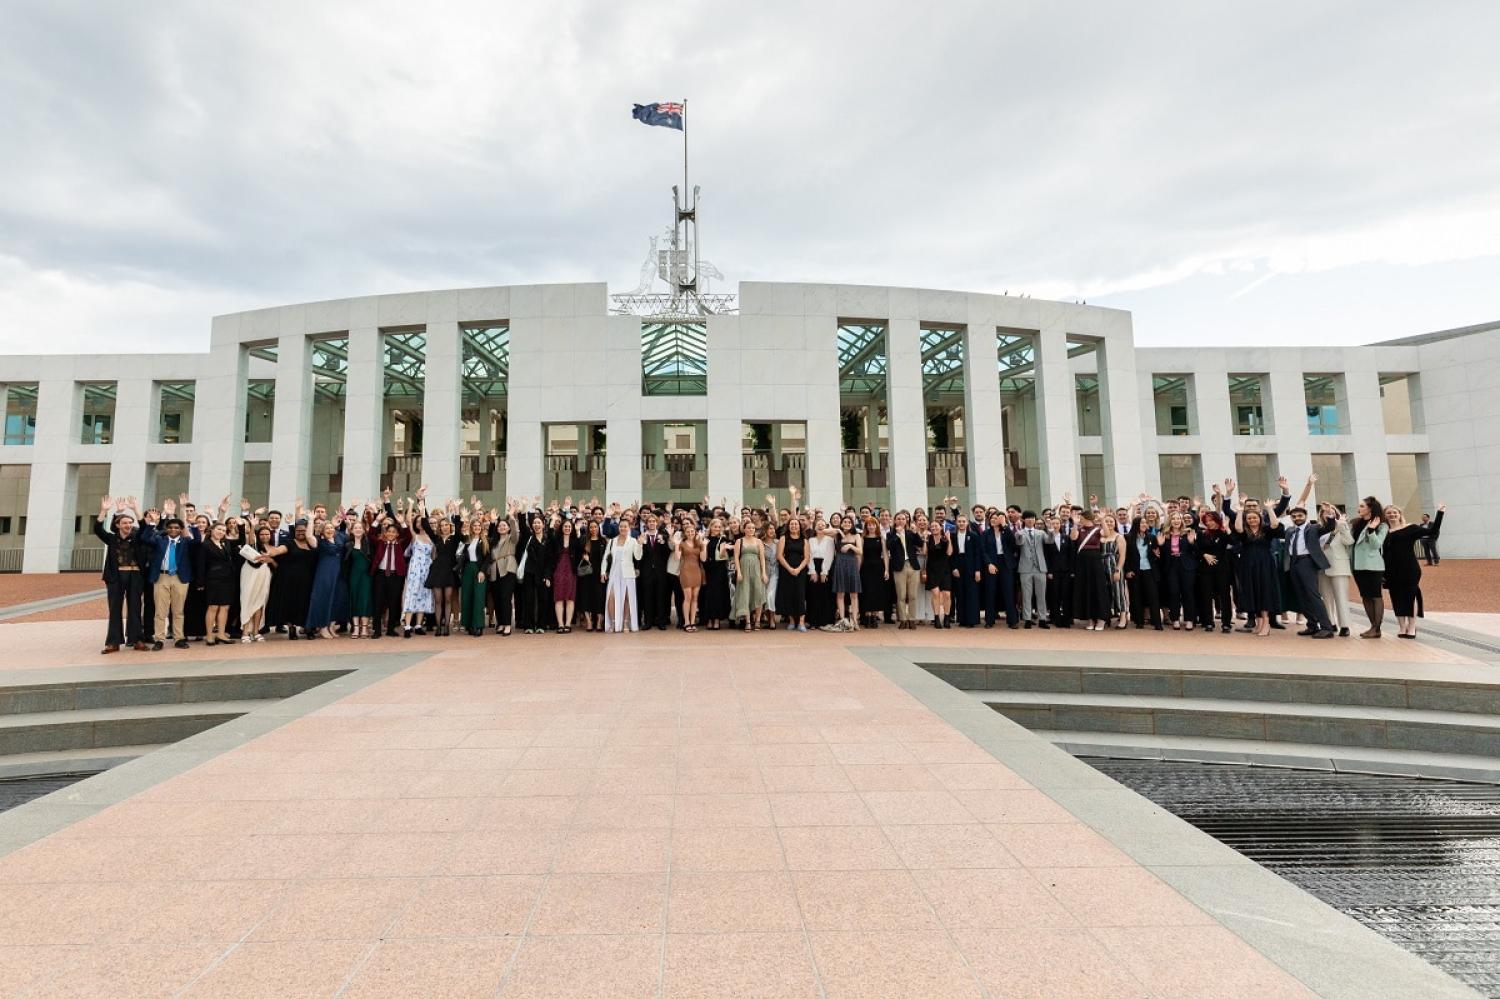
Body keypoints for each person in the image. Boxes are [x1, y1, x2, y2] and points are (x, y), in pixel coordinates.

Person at [94, 496, 152, 654]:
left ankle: (137, 640)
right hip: (115, 577)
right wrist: (104, 511)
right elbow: (97, 529)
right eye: (125, 523)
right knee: (114, 609)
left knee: (135, 608)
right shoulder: (112, 539)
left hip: (135, 576)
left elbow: (145, 528)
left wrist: (135, 509)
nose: (128, 525)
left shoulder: (137, 538)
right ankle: (113, 642)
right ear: (118, 525)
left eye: (130, 523)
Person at [1277, 490, 1336, 639]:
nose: (1297, 518)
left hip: (1307, 562)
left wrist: (1329, 514)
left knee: (1313, 595)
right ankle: (1312, 625)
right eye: (1294, 516)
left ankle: (1326, 627)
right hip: (1293, 563)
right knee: (1301, 596)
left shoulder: (1314, 528)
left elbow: (1329, 528)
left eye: (1300, 516)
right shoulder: (1290, 530)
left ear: (1306, 516)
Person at [1382, 503, 1445, 640]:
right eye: (1389, 513)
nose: (1392, 515)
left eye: (1395, 512)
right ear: (1385, 516)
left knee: (1410, 597)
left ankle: (1411, 626)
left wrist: (1440, 513)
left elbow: (1432, 532)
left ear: (1400, 514)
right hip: (1391, 570)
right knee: (1396, 598)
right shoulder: (1383, 533)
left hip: (1409, 568)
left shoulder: (1410, 528)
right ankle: (1402, 627)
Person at [140, 502, 196, 651]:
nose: (173, 530)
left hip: (180, 578)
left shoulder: (185, 542)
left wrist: (191, 523)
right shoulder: (160, 540)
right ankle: (159, 639)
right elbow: (145, 538)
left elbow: (196, 541)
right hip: (161, 577)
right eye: (170, 527)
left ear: (181, 530)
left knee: (178, 611)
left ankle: (179, 638)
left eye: (177, 527)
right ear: (166, 529)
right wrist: (152, 522)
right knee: (160, 611)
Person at [1230, 495, 1281, 637]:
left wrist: (1270, 509)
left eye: (1255, 517)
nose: (1252, 520)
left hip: (1264, 564)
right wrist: (1240, 512)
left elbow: (1275, 525)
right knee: (1253, 591)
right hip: (1248, 564)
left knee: (1264, 591)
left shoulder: (1266, 531)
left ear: (1260, 518)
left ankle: (1266, 622)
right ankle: (1259, 623)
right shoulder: (1244, 533)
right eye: (1250, 518)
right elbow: (1238, 527)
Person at [195, 520, 239, 646]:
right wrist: (200, 582)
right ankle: (209, 636)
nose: (221, 532)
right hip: (213, 579)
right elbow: (201, 565)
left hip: (228, 579)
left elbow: (241, 540)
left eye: (224, 530)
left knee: (225, 607)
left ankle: (221, 634)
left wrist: (241, 525)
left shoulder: (226, 543)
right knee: (213, 607)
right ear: (212, 530)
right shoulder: (205, 545)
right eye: (219, 529)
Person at [1350, 496, 1389, 639]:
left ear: (1370, 508)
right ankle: (1373, 627)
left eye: (1361, 506)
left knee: (1376, 596)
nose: (1358, 509)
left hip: (1373, 566)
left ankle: (1376, 627)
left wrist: (1372, 531)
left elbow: (1376, 545)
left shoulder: (1382, 525)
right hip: (1357, 565)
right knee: (1365, 596)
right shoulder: (1357, 523)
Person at [1315, 502, 1354, 637]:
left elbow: (1349, 541)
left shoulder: (1342, 527)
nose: (1327, 514)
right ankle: (1330, 623)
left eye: (1330, 512)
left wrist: (1342, 525)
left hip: (1339, 566)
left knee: (1341, 597)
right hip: (1322, 567)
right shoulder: (1318, 528)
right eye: (1324, 512)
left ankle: (1345, 625)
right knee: (1326, 597)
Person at [1155, 511, 1198, 631]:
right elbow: (1161, 555)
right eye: (1173, 519)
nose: (1176, 521)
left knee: (1187, 592)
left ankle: (1189, 619)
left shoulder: (1188, 533)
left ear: (1181, 521)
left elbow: (1196, 550)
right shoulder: (1165, 534)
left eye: (1178, 518)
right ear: (1170, 521)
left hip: (1187, 566)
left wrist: (1191, 542)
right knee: (1173, 592)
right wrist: (1161, 545)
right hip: (1171, 566)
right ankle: (1175, 619)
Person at [305, 519, 348, 639]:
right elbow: (308, 536)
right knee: (324, 598)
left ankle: (331, 626)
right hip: (325, 573)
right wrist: (310, 519)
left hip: (338, 573)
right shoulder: (319, 541)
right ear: (322, 531)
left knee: (336, 598)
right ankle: (322, 627)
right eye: (327, 528)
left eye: (331, 528)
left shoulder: (339, 539)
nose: (330, 530)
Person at [369, 513, 411, 639]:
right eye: (389, 531)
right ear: (385, 533)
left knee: (394, 602)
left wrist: (403, 523)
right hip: (380, 575)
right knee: (378, 602)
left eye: (394, 532)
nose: (391, 534)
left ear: (397, 534)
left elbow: (408, 536)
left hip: (396, 576)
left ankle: (391, 629)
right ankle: (377, 630)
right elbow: (370, 534)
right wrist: (377, 520)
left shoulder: (400, 544)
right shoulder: (380, 542)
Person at [273, 521, 317, 640]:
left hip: (308, 579)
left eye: (303, 530)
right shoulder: (289, 543)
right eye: (298, 531)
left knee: (306, 603)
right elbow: (279, 550)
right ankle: (291, 629)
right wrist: (272, 552)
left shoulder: (312, 543)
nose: (300, 533)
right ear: (294, 532)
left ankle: (307, 628)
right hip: (290, 580)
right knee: (290, 603)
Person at [1070, 510, 1110, 631]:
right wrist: (1075, 524)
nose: (1079, 519)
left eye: (1081, 517)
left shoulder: (1097, 529)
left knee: (1097, 589)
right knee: (1085, 589)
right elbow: (1073, 537)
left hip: (1095, 562)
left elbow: (1106, 534)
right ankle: (1090, 619)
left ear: (1086, 518)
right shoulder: (1079, 529)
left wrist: (1103, 520)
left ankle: (1101, 619)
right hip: (1082, 563)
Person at [601, 515, 642, 633]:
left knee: (627, 598)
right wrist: (603, 571)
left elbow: (638, 557)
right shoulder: (612, 541)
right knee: (611, 597)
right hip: (614, 572)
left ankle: (625, 622)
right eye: (621, 526)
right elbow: (605, 557)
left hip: (628, 573)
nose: (623, 528)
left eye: (625, 526)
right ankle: (614, 622)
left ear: (629, 528)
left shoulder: (633, 541)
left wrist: (640, 544)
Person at [1194, 509, 1233, 633]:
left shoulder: (1223, 533)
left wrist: (1227, 529)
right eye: (1207, 521)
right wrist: (1205, 555)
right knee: (1206, 595)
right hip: (1206, 568)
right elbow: (1197, 549)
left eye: (1212, 520)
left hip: (1222, 568)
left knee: (1225, 596)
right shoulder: (1202, 533)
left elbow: (1233, 541)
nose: (1210, 523)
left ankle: (1226, 623)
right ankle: (1208, 622)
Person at [426, 512, 461, 636]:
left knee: (448, 600)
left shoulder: (455, 538)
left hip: (450, 572)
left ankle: (446, 626)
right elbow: (426, 526)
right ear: (439, 527)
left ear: (450, 526)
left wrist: (456, 511)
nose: (444, 527)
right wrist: (421, 506)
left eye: (447, 525)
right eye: (442, 525)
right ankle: (438, 627)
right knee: (438, 600)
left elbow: (459, 525)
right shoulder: (436, 538)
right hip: (436, 571)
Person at [886, 511, 923, 629]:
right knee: (901, 595)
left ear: (906, 521)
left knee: (912, 595)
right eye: (898, 519)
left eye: (903, 519)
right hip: (899, 567)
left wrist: (916, 532)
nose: (901, 520)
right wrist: (897, 535)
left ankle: (912, 619)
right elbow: (889, 547)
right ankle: (902, 619)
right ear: (895, 521)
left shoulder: (910, 533)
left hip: (912, 566)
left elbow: (920, 544)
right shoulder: (891, 535)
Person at [546, 515, 583, 634]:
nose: (567, 528)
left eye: (569, 526)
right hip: (558, 571)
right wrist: (551, 522)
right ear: (561, 527)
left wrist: (578, 531)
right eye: (565, 526)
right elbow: (550, 537)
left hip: (571, 572)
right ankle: (560, 624)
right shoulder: (556, 540)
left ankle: (568, 624)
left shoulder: (575, 540)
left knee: (570, 598)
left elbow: (581, 548)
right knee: (559, 598)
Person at [240, 524, 276, 642]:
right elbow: (250, 540)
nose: (264, 536)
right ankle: (245, 632)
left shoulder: (273, 548)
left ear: (270, 535)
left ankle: (256, 632)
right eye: (262, 534)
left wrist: (271, 560)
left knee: (260, 603)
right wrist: (252, 525)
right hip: (249, 573)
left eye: (267, 534)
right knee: (247, 601)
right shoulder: (254, 545)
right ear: (257, 535)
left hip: (265, 575)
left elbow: (277, 566)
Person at [827, 513, 863, 632]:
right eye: (844, 522)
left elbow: (860, 551)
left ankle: (855, 620)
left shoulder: (856, 535)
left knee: (854, 594)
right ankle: (842, 620)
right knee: (840, 594)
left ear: (852, 524)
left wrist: (850, 546)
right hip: (840, 564)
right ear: (841, 523)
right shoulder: (837, 534)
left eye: (849, 522)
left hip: (852, 565)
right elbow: (821, 530)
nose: (846, 524)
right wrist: (837, 529)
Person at [456, 515, 490, 637]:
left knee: (479, 598)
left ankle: (478, 625)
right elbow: (457, 531)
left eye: (478, 526)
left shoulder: (486, 540)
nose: (477, 527)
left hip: (479, 570)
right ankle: (469, 624)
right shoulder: (467, 540)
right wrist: (459, 516)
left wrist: (482, 571)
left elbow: (487, 558)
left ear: (481, 528)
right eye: (474, 526)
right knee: (467, 597)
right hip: (467, 570)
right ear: (471, 527)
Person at [732, 520, 769, 631]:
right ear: (744, 529)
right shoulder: (739, 541)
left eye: (753, 528)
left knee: (758, 593)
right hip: (743, 569)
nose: (751, 530)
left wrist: (763, 573)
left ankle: (757, 621)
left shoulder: (758, 542)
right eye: (748, 528)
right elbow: (736, 558)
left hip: (756, 569)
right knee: (745, 594)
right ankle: (748, 621)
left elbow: (762, 558)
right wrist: (738, 572)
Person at [487, 507, 519, 636]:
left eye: (504, 525)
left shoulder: (512, 538)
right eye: (500, 525)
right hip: (495, 571)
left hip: (508, 568)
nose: (502, 527)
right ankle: (500, 622)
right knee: (497, 598)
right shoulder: (493, 541)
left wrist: (511, 517)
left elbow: (516, 531)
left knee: (506, 597)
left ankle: (507, 624)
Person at [776, 516, 809, 631]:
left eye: (796, 524)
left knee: (800, 595)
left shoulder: (804, 540)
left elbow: (806, 558)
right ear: (788, 527)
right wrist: (789, 569)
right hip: (786, 569)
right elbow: (779, 556)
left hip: (801, 570)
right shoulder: (783, 538)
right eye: (791, 524)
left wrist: (798, 569)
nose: (794, 526)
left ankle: (801, 622)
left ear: (799, 527)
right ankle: (791, 621)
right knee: (789, 594)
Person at [343, 518, 374, 639]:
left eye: (360, 528)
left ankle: (365, 628)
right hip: (353, 576)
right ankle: (355, 628)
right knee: (354, 599)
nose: (358, 530)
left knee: (365, 600)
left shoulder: (368, 544)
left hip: (366, 576)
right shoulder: (348, 545)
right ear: (351, 530)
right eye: (355, 528)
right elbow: (345, 562)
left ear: (364, 530)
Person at [1016, 511, 1049, 628]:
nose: (1030, 520)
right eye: (1028, 518)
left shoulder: (1041, 532)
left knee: (1041, 594)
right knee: (1026, 594)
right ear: (1024, 520)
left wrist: (1049, 528)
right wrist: (1018, 530)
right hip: (1025, 568)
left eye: (1032, 518)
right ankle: (1027, 619)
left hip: (1040, 567)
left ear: (1035, 520)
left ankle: (1043, 619)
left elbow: (1049, 541)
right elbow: (1019, 542)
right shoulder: (1020, 532)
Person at [951, 514, 983, 627]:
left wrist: (978, 570)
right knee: (960, 592)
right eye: (959, 521)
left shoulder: (973, 536)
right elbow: (952, 554)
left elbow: (977, 554)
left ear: (967, 523)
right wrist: (954, 567)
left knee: (971, 593)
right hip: (958, 564)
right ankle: (962, 619)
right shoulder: (953, 536)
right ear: (956, 523)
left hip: (971, 565)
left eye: (963, 521)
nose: (961, 523)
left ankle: (971, 620)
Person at [701, 518, 733, 631]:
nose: (717, 529)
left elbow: (724, 556)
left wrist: (725, 549)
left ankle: (717, 620)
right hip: (708, 569)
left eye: (719, 527)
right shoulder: (705, 539)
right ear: (711, 527)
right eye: (715, 526)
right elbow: (702, 557)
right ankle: (709, 619)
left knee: (718, 594)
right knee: (709, 594)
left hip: (720, 570)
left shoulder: (723, 539)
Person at [576, 519, 607, 633]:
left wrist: (605, 572)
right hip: (586, 573)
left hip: (599, 573)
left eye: (595, 527)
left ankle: (599, 621)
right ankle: (589, 622)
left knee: (599, 597)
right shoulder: (584, 540)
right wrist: (584, 557)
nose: (593, 529)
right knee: (586, 597)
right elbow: (577, 549)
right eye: (591, 527)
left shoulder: (603, 541)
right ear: (588, 529)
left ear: (599, 528)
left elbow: (607, 558)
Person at [857, 517, 888, 628]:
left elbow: (885, 555)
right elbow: (860, 555)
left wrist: (886, 570)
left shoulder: (881, 538)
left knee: (876, 592)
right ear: (866, 527)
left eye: (873, 524)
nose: (871, 527)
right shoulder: (862, 538)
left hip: (878, 567)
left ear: (876, 526)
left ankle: (874, 616)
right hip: (866, 567)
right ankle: (867, 616)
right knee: (867, 591)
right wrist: (858, 568)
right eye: (869, 525)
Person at [923, 518, 953, 629]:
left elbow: (949, 553)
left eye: (936, 526)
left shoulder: (945, 539)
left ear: (941, 528)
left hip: (944, 570)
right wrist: (925, 541)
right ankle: (936, 617)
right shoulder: (929, 539)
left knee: (947, 594)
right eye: (932, 526)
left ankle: (946, 617)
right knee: (935, 593)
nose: (934, 528)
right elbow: (924, 552)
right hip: (932, 570)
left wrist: (949, 540)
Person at [677, 522, 706, 633]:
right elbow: (677, 557)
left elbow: (703, 559)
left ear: (695, 532)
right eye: (688, 531)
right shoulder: (682, 543)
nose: (690, 533)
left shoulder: (699, 543)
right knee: (688, 597)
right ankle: (686, 622)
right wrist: (676, 545)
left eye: (692, 531)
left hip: (697, 571)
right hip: (686, 571)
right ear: (685, 533)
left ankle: (693, 621)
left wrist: (704, 546)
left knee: (695, 597)